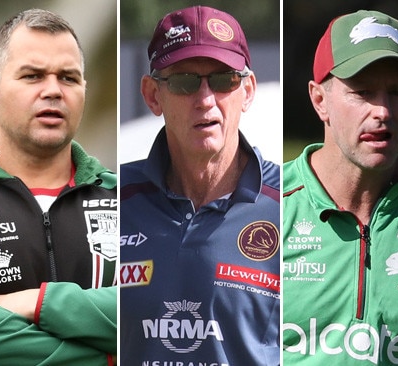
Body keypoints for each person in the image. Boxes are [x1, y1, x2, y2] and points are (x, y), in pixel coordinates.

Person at [120, 5, 281, 365]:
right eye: (184, 82)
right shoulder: (114, 201)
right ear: (152, 96)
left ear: (248, 90)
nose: (205, 99)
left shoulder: (291, 205)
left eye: (224, 80)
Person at [282, 9, 398, 365]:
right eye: (362, 92)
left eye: (397, 92)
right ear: (319, 100)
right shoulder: (261, 209)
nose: (383, 111)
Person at [0, 8, 117, 365]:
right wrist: (108, 355)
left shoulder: (128, 201)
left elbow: (149, 315)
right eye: (32, 76)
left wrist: (36, 303)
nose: (53, 91)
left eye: (69, 78)